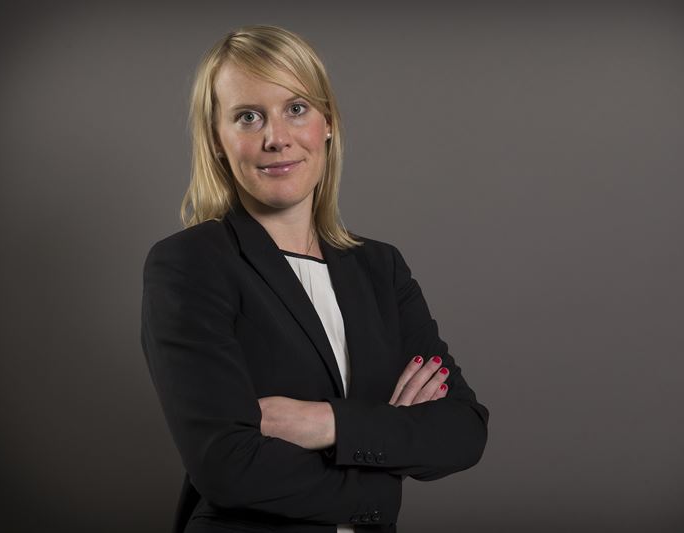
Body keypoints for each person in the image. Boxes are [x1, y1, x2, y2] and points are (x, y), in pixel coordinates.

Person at [140, 25, 489, 533]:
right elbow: (227, 467)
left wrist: (323, 422)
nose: (276, 137)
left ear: (328, 123)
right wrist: (383, 470)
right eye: (248, 116)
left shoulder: (380, 268)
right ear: (217, 140)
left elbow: (463, 430)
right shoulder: (191, 264)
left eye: (297, 108)